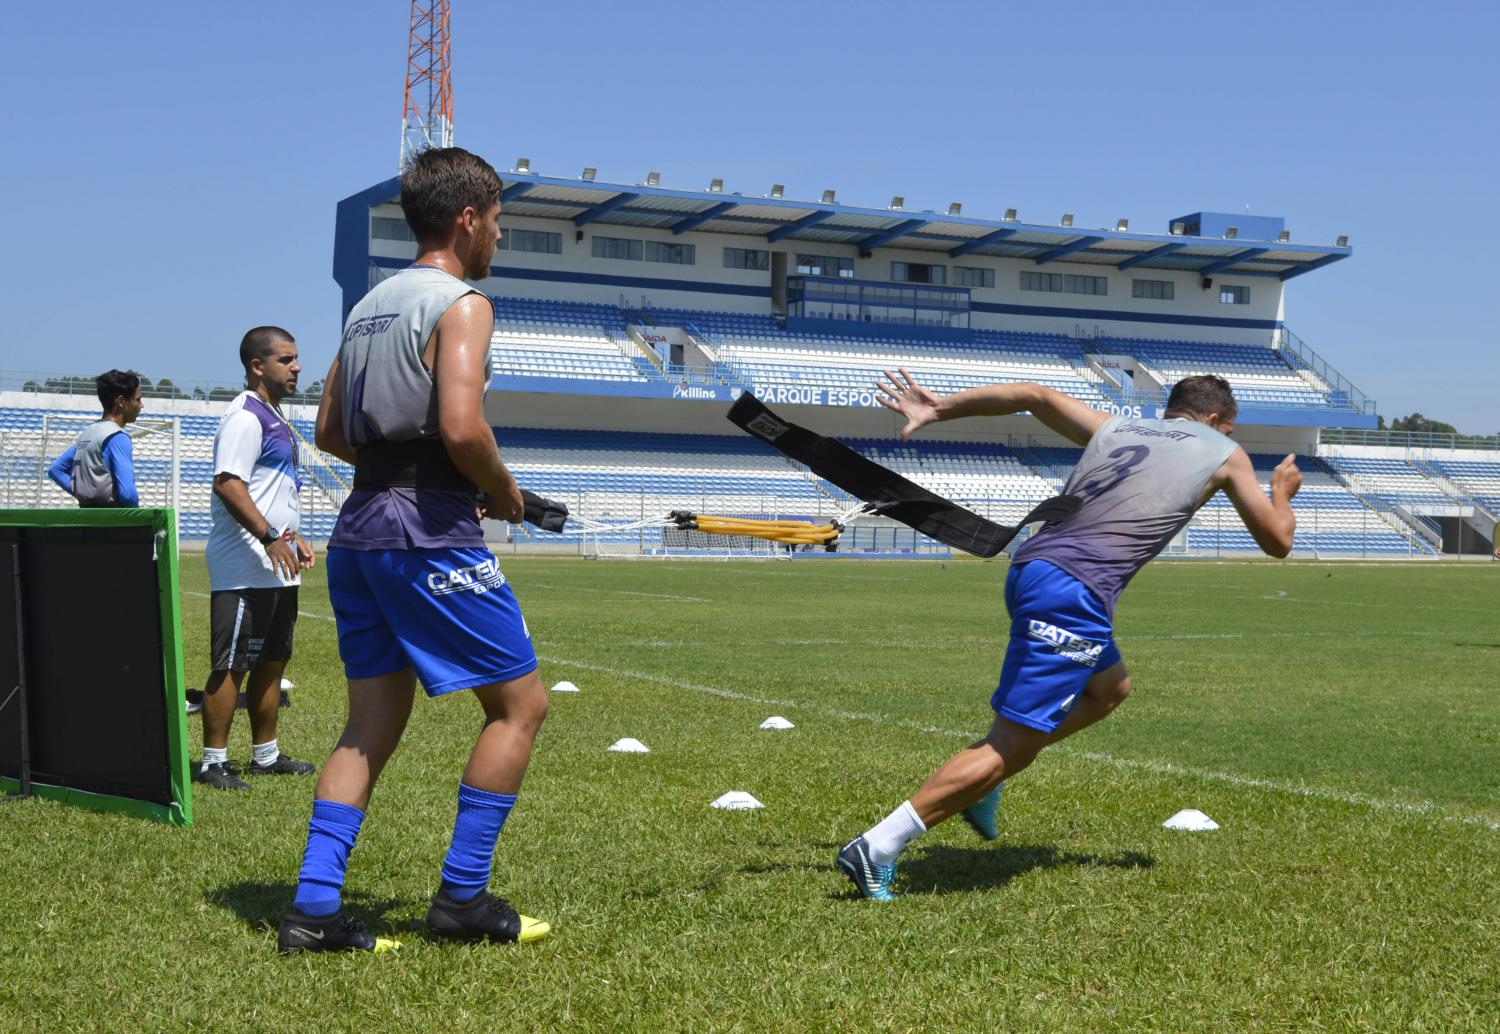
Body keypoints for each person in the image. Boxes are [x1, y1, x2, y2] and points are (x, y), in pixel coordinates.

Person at [836, 370, 1301, 901]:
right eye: (1229, 429)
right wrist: (1280, 492)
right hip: (1073, 593)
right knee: (1010, 746)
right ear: (1217, 420)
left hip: (1033, 569)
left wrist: (939, 410)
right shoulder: (1223, 450)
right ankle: (878, 846)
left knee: (1110, 690)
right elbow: (1278, 541)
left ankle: (987, 783)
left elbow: (1034, 395)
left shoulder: (1119, 427)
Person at [277, 147, 549, 954]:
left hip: (360, 529)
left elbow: (329, 429)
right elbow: (463, 427)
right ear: (468, 218)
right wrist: (497, 489)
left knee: (370, 722)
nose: (499, 235)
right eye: (497, 220)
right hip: (425, 531)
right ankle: (463, 899)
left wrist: (401, 471)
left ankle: (313, 910)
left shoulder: (368, 306)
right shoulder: (462, 304)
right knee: (519, 706)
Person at [193, 327, 317, 791]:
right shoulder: (245, 417)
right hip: (244, 564)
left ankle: (265, 756)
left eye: (296, 358)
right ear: (256, 365)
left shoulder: (275, 417)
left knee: (272, 661)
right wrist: (268, 537)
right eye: (286, 359)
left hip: (277, 564)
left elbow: (272, 490)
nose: (297, 367)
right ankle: (212, 763)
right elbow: (228, 484)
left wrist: (294, 536)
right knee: (233, 664)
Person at [46, 370, 143, 507]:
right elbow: (128, 495)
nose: (141, 405)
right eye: (137, 399)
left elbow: (56, 470)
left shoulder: (88, 433)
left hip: (87, 521)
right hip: (114, 522)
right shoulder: (118, 437)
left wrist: (85, 496)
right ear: (121, 401)